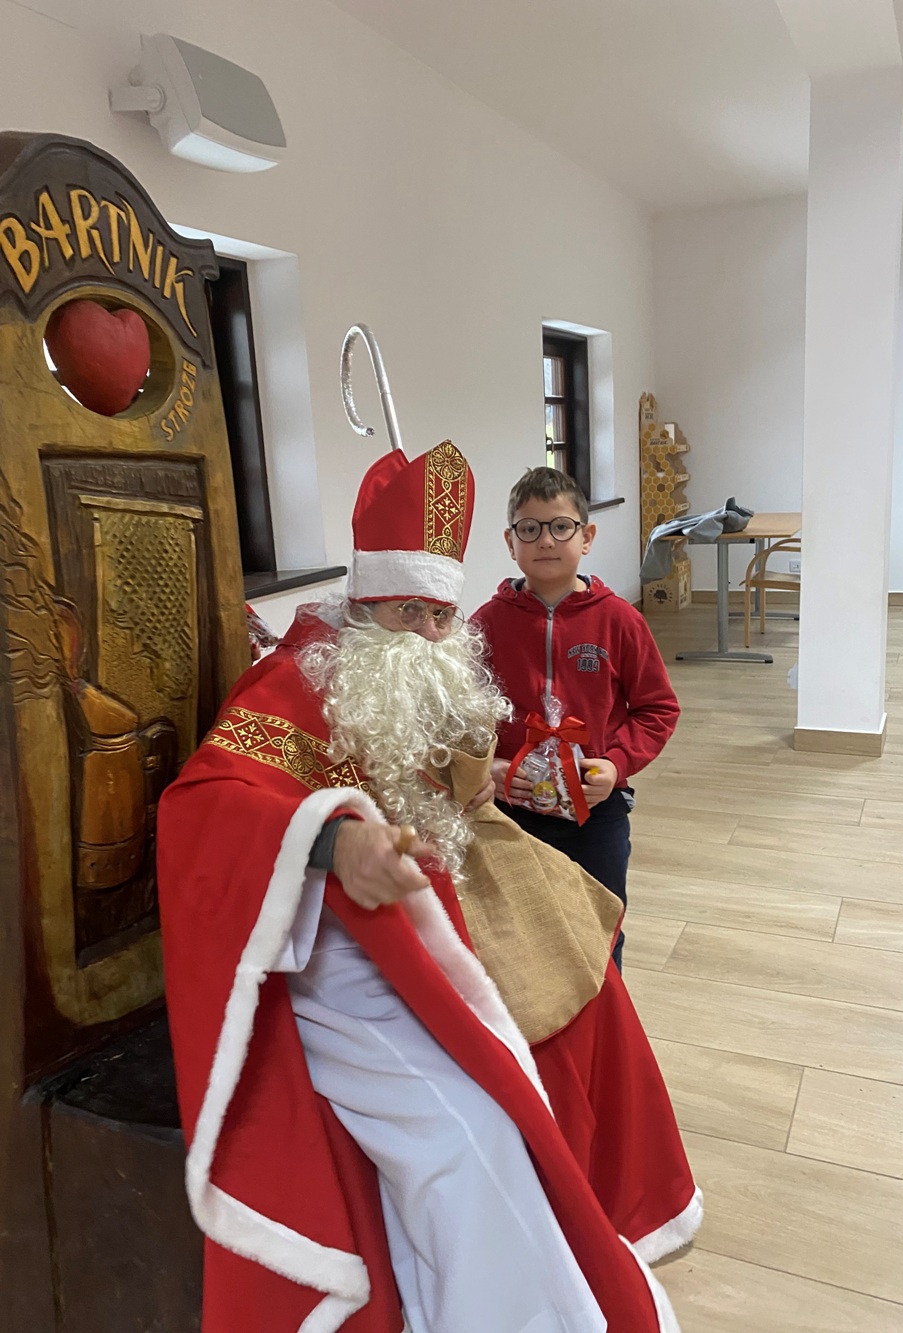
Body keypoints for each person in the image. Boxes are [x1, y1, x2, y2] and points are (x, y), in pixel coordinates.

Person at [157, 441, 697, 1333]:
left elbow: (447, 771)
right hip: (343, 953)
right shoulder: (297, 680)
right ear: (365, 605)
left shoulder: (424, 665)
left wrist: (474, 777)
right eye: (411, 611)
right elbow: (207, 801)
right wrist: (334, 843)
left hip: (439, 905)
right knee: (470, 1133)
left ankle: (601, 1222)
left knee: (595, 992)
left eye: (443, 614)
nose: (431, 635)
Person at [474, 467, 680, 972]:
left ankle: (607, 1014)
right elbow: (461, 715)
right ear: (510, 542)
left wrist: (615, 764)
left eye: (560, 526)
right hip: (513, 810)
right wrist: (488, 769)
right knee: (519, 927)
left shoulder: (620, 620)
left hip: (597, 811)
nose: (545, 540)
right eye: (529, 528)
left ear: (586, 537)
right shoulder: (485, 624)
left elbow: (657, 708)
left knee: (599, 923)